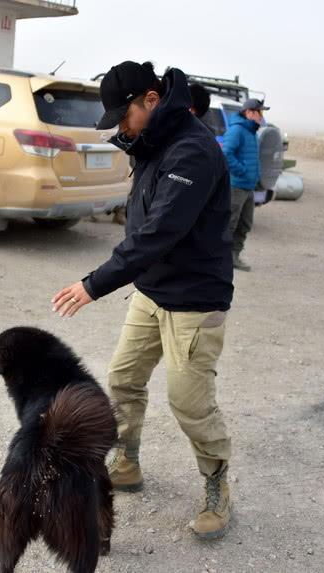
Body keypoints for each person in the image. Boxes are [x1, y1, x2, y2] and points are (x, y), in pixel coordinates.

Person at [52, 61, 235, 540]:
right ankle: (126, 461)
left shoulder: (192, 150)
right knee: (124, 379)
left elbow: (158, 234)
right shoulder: (153, 140)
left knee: (189, 403)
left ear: (150, 100)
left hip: (194, 300)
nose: (119, 127)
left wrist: (93, 284)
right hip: (151, 293)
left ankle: (217, 485)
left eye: (123, 116)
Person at [222, 98, 269, 272]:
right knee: (230, 224)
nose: (261, 116)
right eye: (260, 112)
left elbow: (252, 158)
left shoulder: (252, 132)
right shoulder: (237, 131)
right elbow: (226, 154)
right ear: (249, 112)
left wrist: (254, 177)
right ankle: (222, 258)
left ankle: (234, 256)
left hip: (248, 187)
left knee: (245, 224)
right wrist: (241, 170)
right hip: (236, 186)